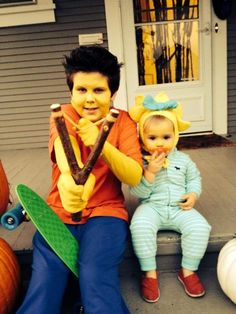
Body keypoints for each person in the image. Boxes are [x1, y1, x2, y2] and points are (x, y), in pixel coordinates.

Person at [16, 45, 143, 314]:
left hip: (106, 213)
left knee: (95, 273)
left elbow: (134, 174)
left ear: (113, 93)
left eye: (98, 90)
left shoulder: (124, 122)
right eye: (81, 90)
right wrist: (67, 179)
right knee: (47, 280)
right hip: (58, 215)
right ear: (71, 91)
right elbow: (65, 152)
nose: (89, 99)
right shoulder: (63, 115)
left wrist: (102, 144)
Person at [128, 92, 211, 303]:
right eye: (152, 138)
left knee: (200, 227)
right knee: (139, 226)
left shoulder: (184, 160)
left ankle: (188, 271)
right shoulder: (140, 162)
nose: (159, 143)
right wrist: (150, 173)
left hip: (179, 208)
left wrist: (193, 194)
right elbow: (136, 192)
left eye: (166, 137)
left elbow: (194, 179)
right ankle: (150, 273)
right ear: (141, 138)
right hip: (151, 207)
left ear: (175, 136)